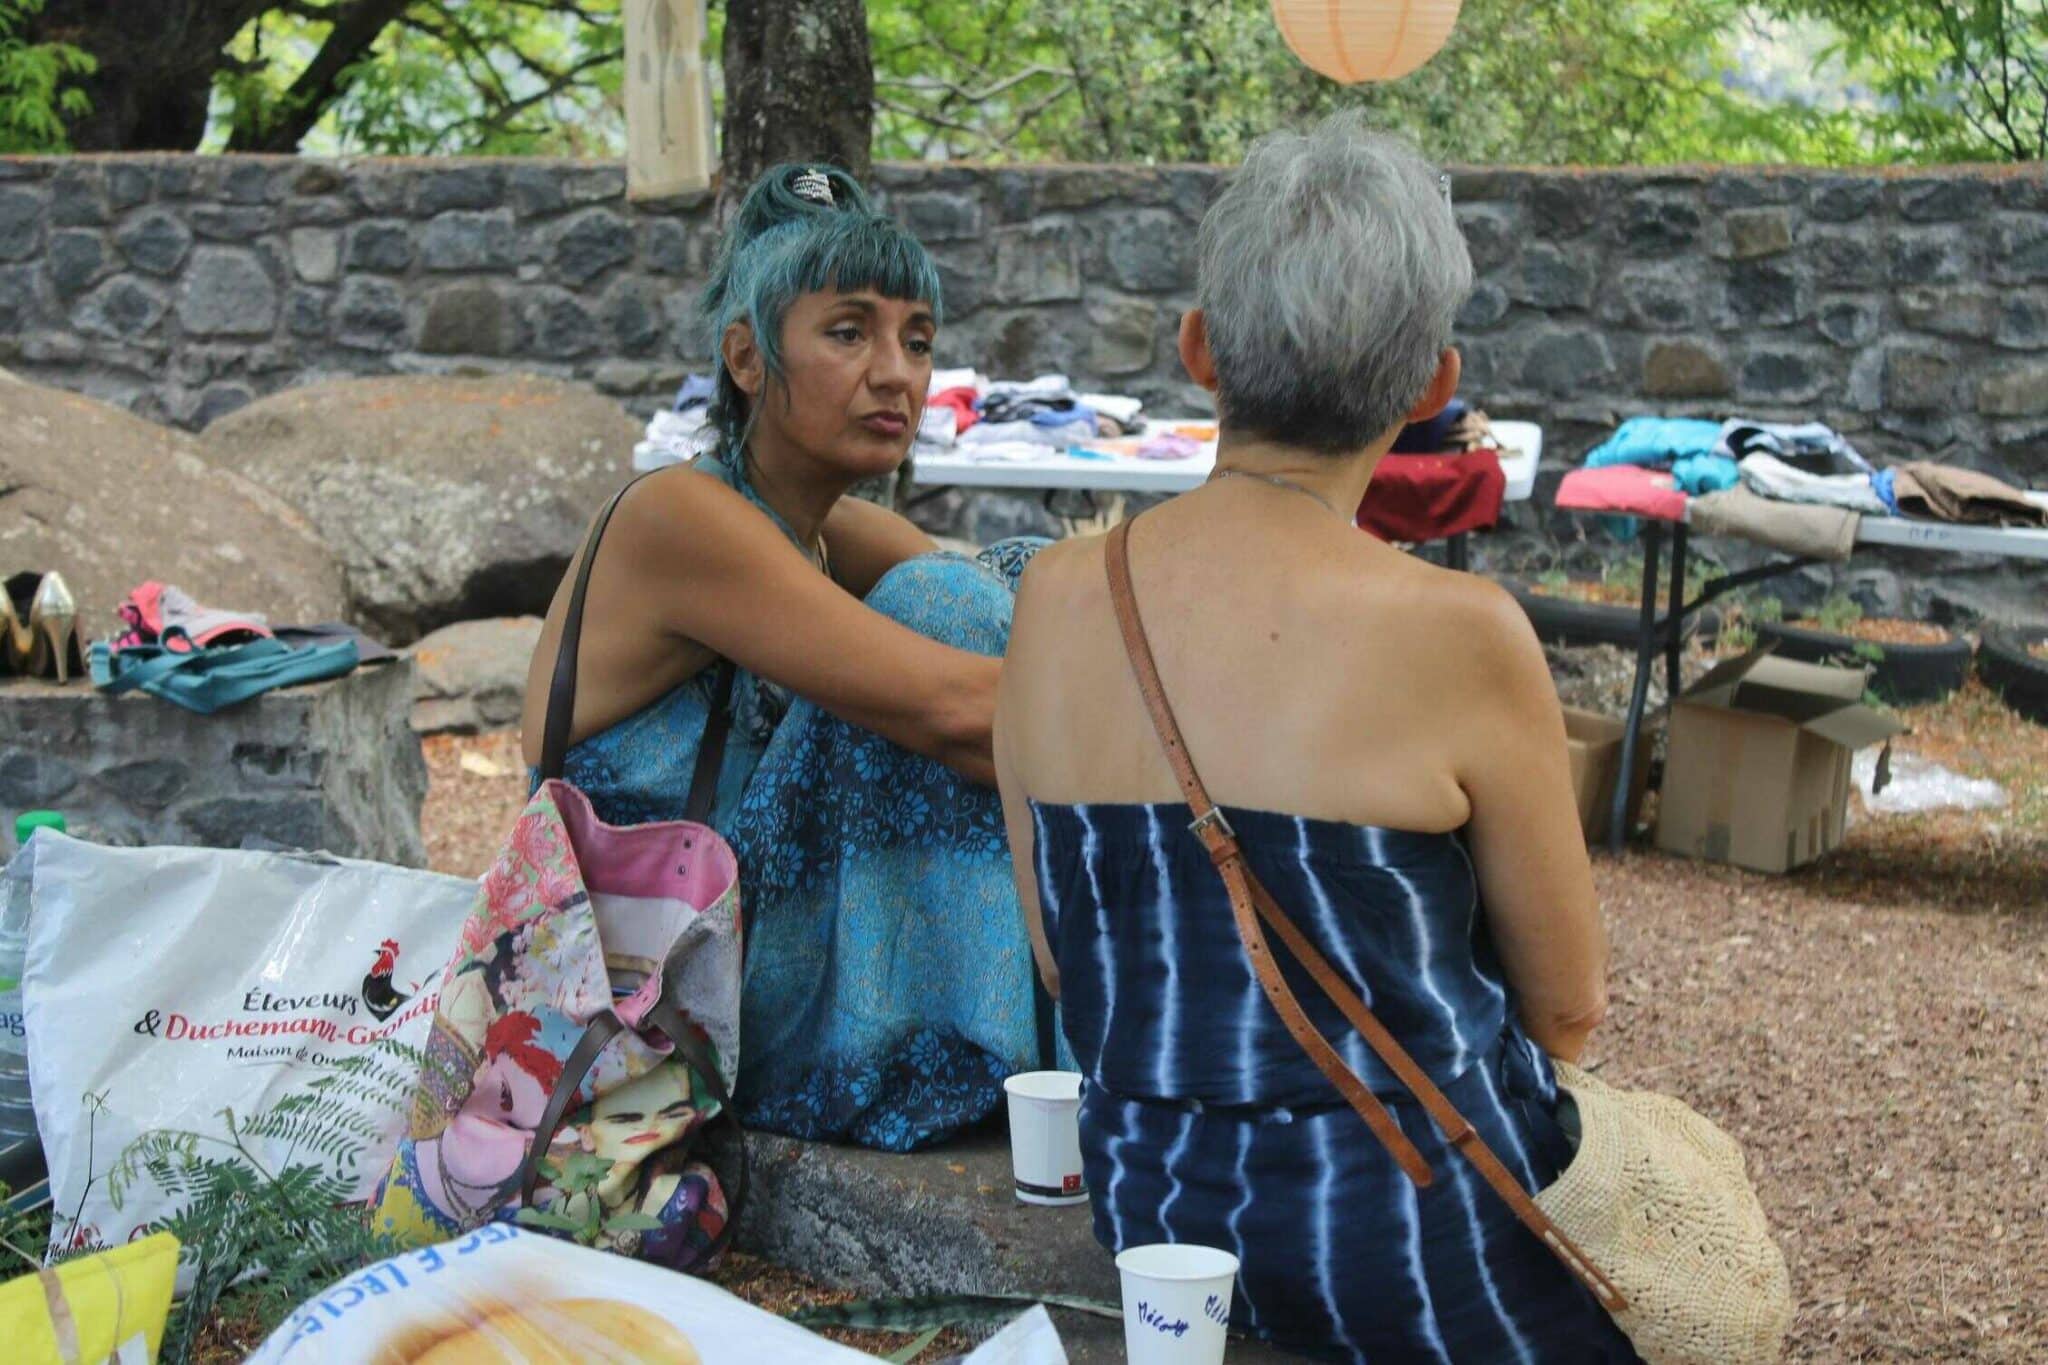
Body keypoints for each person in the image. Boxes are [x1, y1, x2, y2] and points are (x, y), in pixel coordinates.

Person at [993, 115, 1642, 1361]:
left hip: (1155, 1213)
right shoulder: (1463, 632)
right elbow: (1565, 1010)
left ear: (1196, 353)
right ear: (1433, 388)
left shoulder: (1057, 600)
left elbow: (1065, 964)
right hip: (1412, 1248)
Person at [520, 164, 1051, 1152]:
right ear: (747, 359)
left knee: (1027, 579)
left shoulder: (826, 530)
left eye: (917, 340)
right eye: (848, 333)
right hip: (649, 1001)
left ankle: (1017, 1042)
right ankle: (959, 1057)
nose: (895, 372)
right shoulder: (678, 516)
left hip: (735, 958)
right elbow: (958, 709)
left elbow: (1021, 626)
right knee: (942, 610)